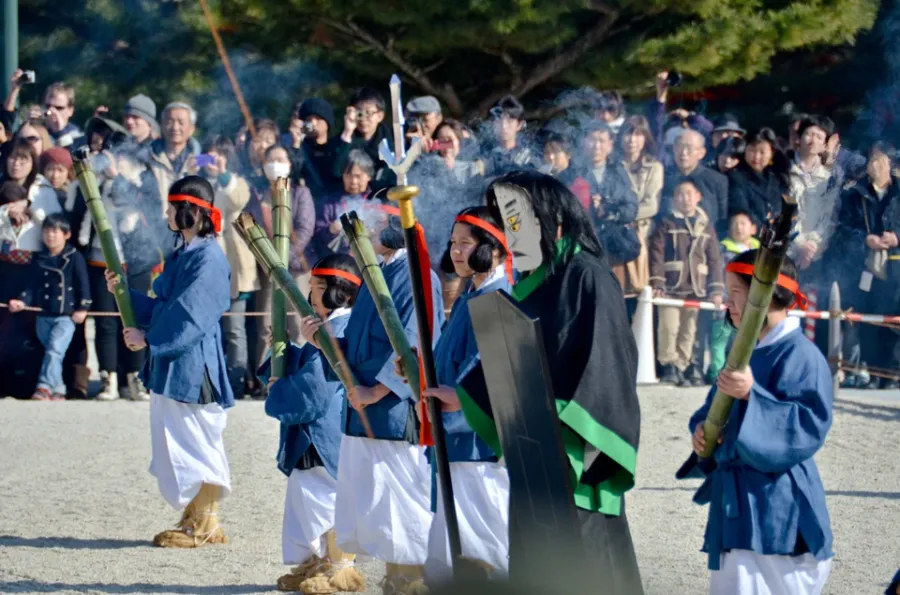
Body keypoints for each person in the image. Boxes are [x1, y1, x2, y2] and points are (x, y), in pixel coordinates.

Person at [458, 170, 643, 594]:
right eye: (504, 224)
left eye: (515, 222)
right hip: (533, 452)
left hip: (574, 453)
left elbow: (606, 366)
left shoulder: (586, 276)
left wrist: (558, 423)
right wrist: (472, 397)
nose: (508, 235)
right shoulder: (535, 282)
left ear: (550, 219)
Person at [300, 204, 444, 595]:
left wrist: (378, 390)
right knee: (374, 499)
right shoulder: (375, 273)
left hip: (394, 409)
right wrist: (322, 339)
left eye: (371, 224)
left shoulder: (417, 275)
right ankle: (396, 574)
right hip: (363, 406)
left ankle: (410, 575)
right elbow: (360, 343)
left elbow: (416, 342)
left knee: (401, 498)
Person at [679, 249, 833, 595]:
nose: (727, 303)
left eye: (736, 293)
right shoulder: (744, 350)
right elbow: (711, 408)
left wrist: (754, 395)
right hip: (736, 508)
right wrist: (702, 431)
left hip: (778, 503)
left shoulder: (802, 355)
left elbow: (808, 427)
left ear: (768, 294)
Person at [105, 175, 233, 548]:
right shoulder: (186, 254)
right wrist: (123, 293)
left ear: (191, 212)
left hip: (193, 364)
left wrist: (149, 339)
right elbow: (165, 307)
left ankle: (205, 523)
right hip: (178, 360)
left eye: (173, 208)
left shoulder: (208, 258)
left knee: (196, 442)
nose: (167, 214)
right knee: (182, 441)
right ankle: (197, 517)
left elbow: (192, 314)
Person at [259, 255, 366, 594]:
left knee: (325, 500)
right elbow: (309, 366)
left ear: (342, 292)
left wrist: (281, 390)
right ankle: (318, 563)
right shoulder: (329, 325)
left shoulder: (342, 327)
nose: (312, 295)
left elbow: (316, 388)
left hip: (326, 429)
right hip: (317, 430)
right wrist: (284, 351)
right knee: (308, 500)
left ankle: (339, 568)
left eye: (320, 288)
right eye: (312, 287)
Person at [420, 207, 512, 585]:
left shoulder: (497, 297)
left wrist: (460, 397)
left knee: (483, 537)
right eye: (454, 243)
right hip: (455, 437)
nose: (456, 251)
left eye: (466, 243)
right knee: (451, 538)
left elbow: (492, 371)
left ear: (491, 248)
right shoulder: (468, 296)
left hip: (477, 442)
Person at [830, 143, 900, 390]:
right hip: (864, 266)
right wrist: (864, 239)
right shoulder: (854, 194)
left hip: (896, 267)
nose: (874, 165)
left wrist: (897, 237)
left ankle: (892, 374)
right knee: (867, 320)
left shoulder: (899, 193)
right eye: (871, 160)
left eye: (880, 160)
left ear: (890, 164)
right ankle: (871, 371)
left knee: (893, 320)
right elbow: (843, 229)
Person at [7, 213, 90, 400]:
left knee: (54, 350)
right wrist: (22, 301)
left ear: (66, 234)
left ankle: (43, 387)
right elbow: (30, 285)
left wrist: (83, 307)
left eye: (55, 231)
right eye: (46, 231)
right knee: (52, 353)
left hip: (65, 316)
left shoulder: (74, 257)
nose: (50, 236)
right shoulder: (39, 259)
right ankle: (59, 388)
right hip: (43, 314)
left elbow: (83, 284)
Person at [650, 178, 724, 386]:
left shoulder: (706, 225)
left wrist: (716, 288)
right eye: (680, 194)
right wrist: (658, 283)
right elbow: (656, 253)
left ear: (698, 197)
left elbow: (715, 258)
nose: (685, 198)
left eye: (689, 193)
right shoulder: (667, 223)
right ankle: (669, 366)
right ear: (674, 199)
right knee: (669, 326)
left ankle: (683, 365)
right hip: (671, 287)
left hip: (696, 289)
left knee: (689, 330)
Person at [203, 135, 258, 399]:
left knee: (235, 329)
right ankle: (211, 379)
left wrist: (224, 175)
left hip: (234, 267)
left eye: (217, 156)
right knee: (210, 327)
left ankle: (236, 382)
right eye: (208, 156)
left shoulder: (238, 182)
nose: (212, 162)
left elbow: (237, 200)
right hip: (207, 265)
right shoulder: (199, 182)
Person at [575, 121, 639, 288]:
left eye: (602, 141)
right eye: (592, 140)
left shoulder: (617, 172)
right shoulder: (575, 171)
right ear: (584, 142)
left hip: (612, 246)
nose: (597, 146)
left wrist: (610, 211)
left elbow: (631, 207)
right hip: (583, 244)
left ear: (610, 145)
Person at [708, 211, 760, 384]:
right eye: (734, 224)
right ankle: (717, 374)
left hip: (749, 306)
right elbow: (718, 275)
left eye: (742, 223)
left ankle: (741, 376)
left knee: (744, 343)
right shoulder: (721, 248)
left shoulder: (760, 252)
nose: (738, 227)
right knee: (720, 340)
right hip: (725, 304)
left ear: (753, 228)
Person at [619, 116, 664, 297]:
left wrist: (621, 214)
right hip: (614, 234)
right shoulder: (613, 164)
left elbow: (651, 205)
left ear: (645, 138)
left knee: (640, 292)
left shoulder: (654, 167)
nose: (632, 140)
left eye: (638, 135)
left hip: (642, 234)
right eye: (628, 134)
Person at [727, 128, 789, 229]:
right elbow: (741, 209)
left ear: (771, 153)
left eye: (762, 152)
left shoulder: (777, 178)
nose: (756, 157)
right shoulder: (736, 176)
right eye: (752, 150)